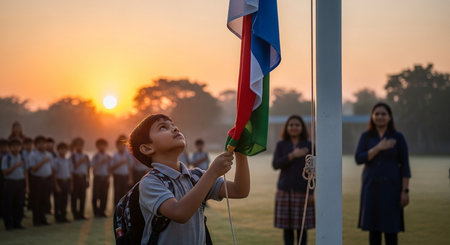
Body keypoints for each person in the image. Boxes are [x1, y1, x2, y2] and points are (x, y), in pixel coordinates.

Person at [128, 114, 250, 245]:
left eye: (173, 125)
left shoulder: (196, 176)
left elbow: (239, 190)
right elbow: (179, 213)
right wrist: (212, 173)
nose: (175, 129)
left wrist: (241, 152)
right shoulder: (150, 182)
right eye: (163, 127)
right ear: (147, 148)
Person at [355, 102, 411, 245]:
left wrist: (405, 191)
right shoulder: (366, 136)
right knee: (374, 231)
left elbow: (405, 166)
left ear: (390, 117)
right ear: (372, 117)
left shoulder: (398, 137)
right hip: (371, 188)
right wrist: (378, 148)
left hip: (392, 188)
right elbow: (359, 158)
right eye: (377, 114)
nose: (380, 117)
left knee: (391, 230)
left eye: (383, 114)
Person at [272, 115, 315, 245]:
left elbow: (314, 171)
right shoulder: (281, 144)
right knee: (287, 229)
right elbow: (276, 164)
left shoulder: (309, 145)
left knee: (302, 228)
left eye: (297, 125)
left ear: (302, 127)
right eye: (291, 125)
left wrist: (311, 194)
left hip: (303, 191)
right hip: (285, 190)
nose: (294, 127)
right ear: (286, 128)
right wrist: (293, 155)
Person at [1, 139, 28, 230]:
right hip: (10, 182)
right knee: (8, 204)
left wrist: (26, 185)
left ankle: (17, 222)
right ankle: (9, 224)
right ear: (10, 147)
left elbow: (25, 171)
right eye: (13, 146)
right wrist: (15, 166)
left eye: (18, 146)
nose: (16, 148)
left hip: (20, 182)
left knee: (19, 203)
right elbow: (4, 172)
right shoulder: (6, 158)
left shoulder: (22, 157)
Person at [28, 135, 53, 226]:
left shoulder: (49, 155)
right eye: (40, 143)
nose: (42, 145)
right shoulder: (33, 155)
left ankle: (43, 219)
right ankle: (36, 220)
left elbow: (51, 168)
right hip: (37, 179)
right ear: (36, 145)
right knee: (36, 200)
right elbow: (33, 169)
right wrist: (42, 162)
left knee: (44, 199)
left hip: (47, 179)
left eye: (43, 143)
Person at [70, 137, 90, 220]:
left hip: (83, 178)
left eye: (81, 145)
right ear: (75, 146)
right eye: (78, 145)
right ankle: (75, 215)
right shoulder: (72, 156)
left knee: (83, 197)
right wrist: (79, 162)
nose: (80, 147)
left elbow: (88, 168)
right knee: (74, 197)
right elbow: (71, 169)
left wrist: (88, 179)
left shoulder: (85, 156)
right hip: (75, 178)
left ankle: (81, 214)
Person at [110, 135, 133, 205]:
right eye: (119, 145)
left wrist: (130, 178)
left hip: (125, 176)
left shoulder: (128, 154)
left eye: (122, 145)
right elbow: (111, 168)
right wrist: (120, 163)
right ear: (117, 146)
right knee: (117, 193)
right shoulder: (115, 155)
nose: (121, 147)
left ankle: (123, 208)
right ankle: (116, 208)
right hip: (117, 176)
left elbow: (130, 167)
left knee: (125, 193)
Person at [91, 138, 111, 217]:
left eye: (104, 145)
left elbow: (110, 168)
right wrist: (100, 162)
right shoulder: (95, 156)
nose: (102, 147)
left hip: (105, 177)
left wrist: (108, 177)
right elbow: (93, 167)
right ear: (97, 146)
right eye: (100, 145)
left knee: (104, 195)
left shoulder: (108, 156)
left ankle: (102, 212)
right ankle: (96, 212)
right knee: (95, 195)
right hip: (98, 177)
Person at [52, 142, 72, 223]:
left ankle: (64, 216)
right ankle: (58, 218)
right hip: (59, 182)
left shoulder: (67, 161)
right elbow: (54, 174)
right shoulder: (56, 160)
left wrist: (70, 184)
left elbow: (70, 173)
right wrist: (56, 185)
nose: (63, 151)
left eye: (65, 149)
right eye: (61, 149)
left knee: (65, 200)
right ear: (58, 150)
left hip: (66, 181)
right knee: (58, 201)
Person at [0, 138, 9, 219]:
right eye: (2, 146)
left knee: (5, 197)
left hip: (7, 179)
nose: (5, 148)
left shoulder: (10, 156)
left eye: (6, 146)